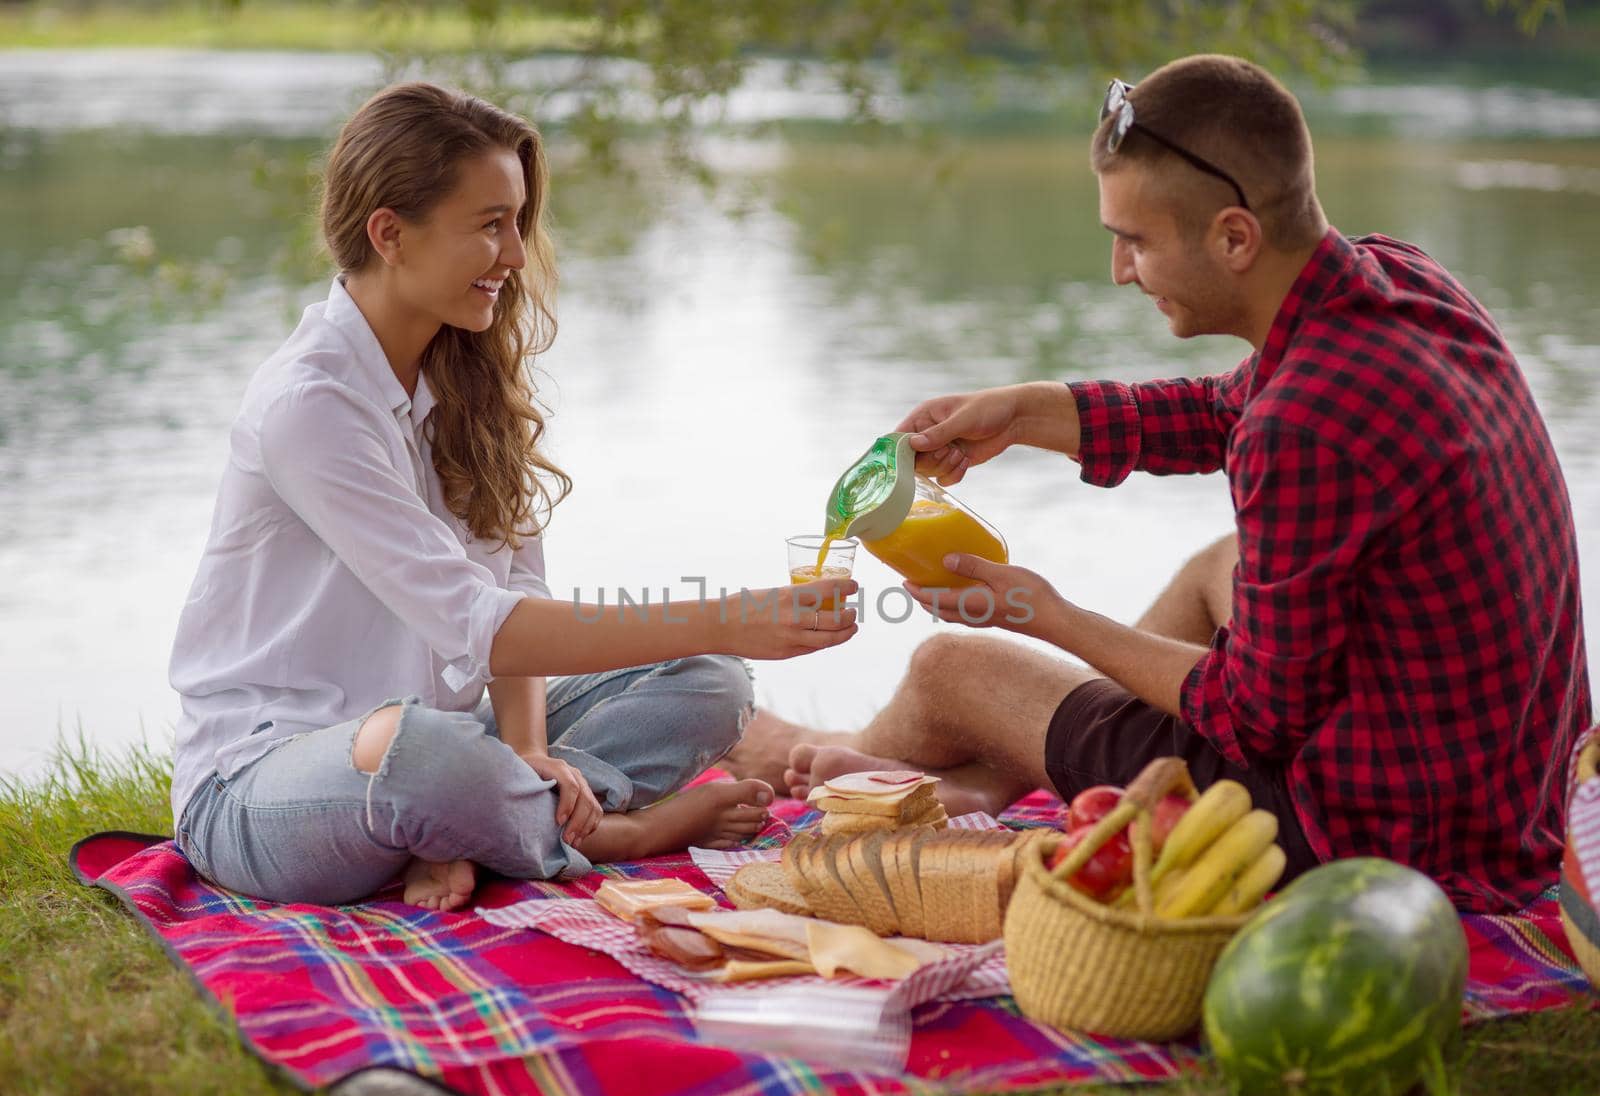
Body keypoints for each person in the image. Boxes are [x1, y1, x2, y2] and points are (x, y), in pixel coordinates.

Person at [726, 54, 1590, 913]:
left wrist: (1047, 612)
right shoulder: (1401, 280)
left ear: (1233, 237)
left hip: (1366, 837)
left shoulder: (1304, 424)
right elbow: (1225, 413)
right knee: (1226, 558)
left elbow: (1256, 719)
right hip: (1501, 801)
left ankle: (828, 767)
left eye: (1135, 241)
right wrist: (1027, 412)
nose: (1120, 270)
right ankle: (986, 779)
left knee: (953, 666)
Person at [168, 83, 857, 912]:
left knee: (707, 678)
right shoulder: (309, 406)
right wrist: (732, 610)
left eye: (518, 222)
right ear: (389, 233)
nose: (518, 256)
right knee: (418, 754)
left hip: (454, 741)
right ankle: (612, 834)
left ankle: (489, 824)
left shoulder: (464, 376)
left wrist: (529, 746)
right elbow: (483, 627)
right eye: (490, 225)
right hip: (266, 784)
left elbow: (514, 598)